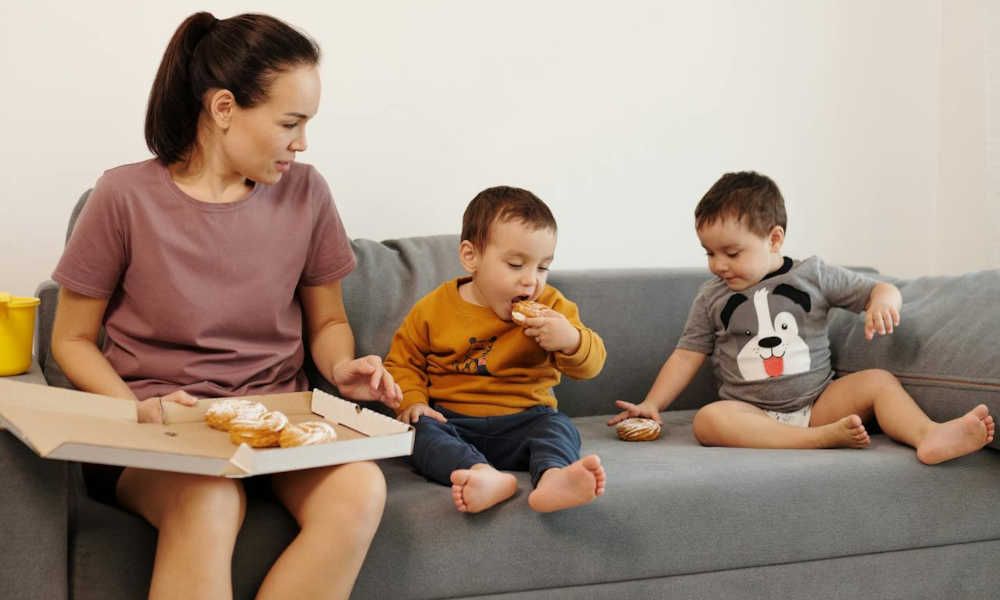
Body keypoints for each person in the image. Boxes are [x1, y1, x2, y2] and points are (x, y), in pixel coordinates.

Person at [50, 12, 401, 600]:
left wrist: (342, 367)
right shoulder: (122, 196)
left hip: (275, 425)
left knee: (361, 487)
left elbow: (329, 320)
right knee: (210, 494)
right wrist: (136, 410)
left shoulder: (308, 192)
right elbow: (71, 339)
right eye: (290, 122)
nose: (302, 142)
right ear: (223, 108)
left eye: (307, 124)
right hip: (161, 433)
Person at [609, 171, 995, 463]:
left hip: (819, 403)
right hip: (751, 413)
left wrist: (884, 304)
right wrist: (653, 403)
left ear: (774, 239)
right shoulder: (712, 296)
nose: (719, 265)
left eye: (731, 253)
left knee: (879, 381)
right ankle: (819, 440)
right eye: (709, 253)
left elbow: (880, 289)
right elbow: (686, 354)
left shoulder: (813, 275)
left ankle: (927, 435)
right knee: (708, 421)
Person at [384, 186, 607, 513]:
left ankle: (553, 477)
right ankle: (482, 475)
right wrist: (414, 402)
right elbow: (403, 363)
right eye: (516, 264)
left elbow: (592, 364)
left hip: (527, 421)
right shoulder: (433, 309)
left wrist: (571, 340)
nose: (531, 281)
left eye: (542, 267)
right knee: (415, 433)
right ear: (470, 257)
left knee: (559, 428)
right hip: (453, 422)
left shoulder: (552, 307)